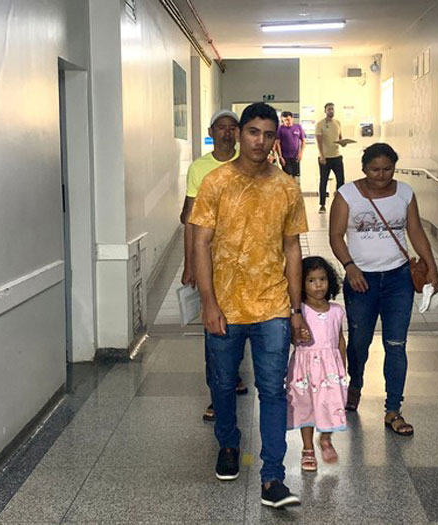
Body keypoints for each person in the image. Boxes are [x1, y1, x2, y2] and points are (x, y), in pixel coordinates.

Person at [190, 102, 309, 508]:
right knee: (223, 384)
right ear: (240, 135)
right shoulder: (216, 182)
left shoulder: (287, 187)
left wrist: (296, 310)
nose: (261, 141)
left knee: (272, 390)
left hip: (272, 305)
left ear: (277, 138)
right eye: (253, 132)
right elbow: (201, 242)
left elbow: (293, 248)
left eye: (269, 134)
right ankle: (228, 444)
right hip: (224, 304)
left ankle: (273, 477)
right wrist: (208, 302)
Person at [329, 142, 438, 436]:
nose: (381, 175)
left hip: (398, 279)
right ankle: (356, 382)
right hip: (360, 280)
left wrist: (431, 266)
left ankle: (393, 409)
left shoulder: (404, 192)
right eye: (374, 169)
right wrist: (349, 266)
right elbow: (336, 235)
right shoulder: (347, 195)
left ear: (395, 167)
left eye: (387, 169)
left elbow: (414, 230)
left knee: (396, 344)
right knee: (358, 343)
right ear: (364, 168)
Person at [179, 109, 247, 422]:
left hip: (246, 261)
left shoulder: (251, 166)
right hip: (211, 259)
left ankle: (233, 376)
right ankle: (216, 393)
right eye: (222, 128)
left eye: (233, 128)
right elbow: (191, 220)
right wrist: (189, 263)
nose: (227, 133)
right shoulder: (200, 168)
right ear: (211, 131)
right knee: (214, 325)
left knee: (241, 321)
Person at [286, 256, 348, 472]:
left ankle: (326, 438)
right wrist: (298, 335)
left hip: (330, 369)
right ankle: (307, 449)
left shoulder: (337, 311)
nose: (318, 285)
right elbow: (293, 341)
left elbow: (340, 338)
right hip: (305, 369)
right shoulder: (299, 311)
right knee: (307, 407)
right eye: (311, 280)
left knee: (331, 403)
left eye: (322, 279)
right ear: (300, 284)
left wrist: (342, 364)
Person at [315, 103, 346, 213]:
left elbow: (340, 138)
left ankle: (340, 203)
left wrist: (343, 143)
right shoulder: (320, 124)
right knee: (324, 181)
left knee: (341, 180)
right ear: (325, 111)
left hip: (337, 156)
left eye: (332, 109)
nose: (331, 111)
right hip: (325, 158)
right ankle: (322, 205)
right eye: (329, 109)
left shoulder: (337, 123)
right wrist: (322, 156)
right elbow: (319, 141)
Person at [275, 111, 306, 180]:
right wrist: (280, 157)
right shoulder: (280, 129)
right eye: (285, 120)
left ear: (292, 119)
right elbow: (277, 143)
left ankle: (294, 190)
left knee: (295, 176)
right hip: (285, 156)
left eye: (288, 119)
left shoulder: (298, 127)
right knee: (288, 176)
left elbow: (303, 141)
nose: (287, 122)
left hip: (295, 156)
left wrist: (301, 153)